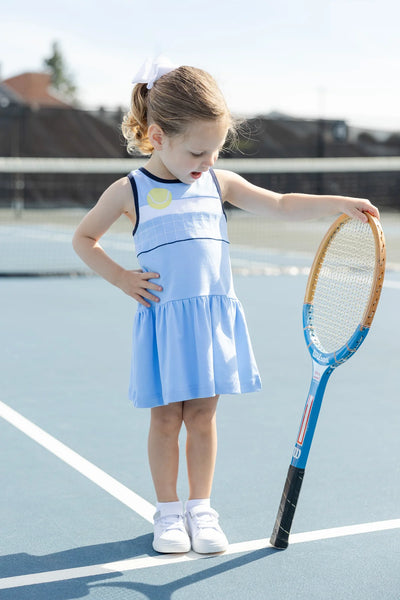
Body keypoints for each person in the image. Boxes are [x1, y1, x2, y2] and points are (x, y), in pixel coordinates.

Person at [72, 57, 379, 555]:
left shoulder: (218, 183)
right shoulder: (131, 189)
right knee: (166, 419)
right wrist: (122, 278)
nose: (208, 160)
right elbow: (84, 238)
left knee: (203, 418)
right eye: (198, 150)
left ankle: (201, 507)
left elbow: (278, 203)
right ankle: (169, 513)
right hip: (165, 324)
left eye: (216, 149)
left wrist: (337, 203)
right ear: (157, 136)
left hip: (210, 320)